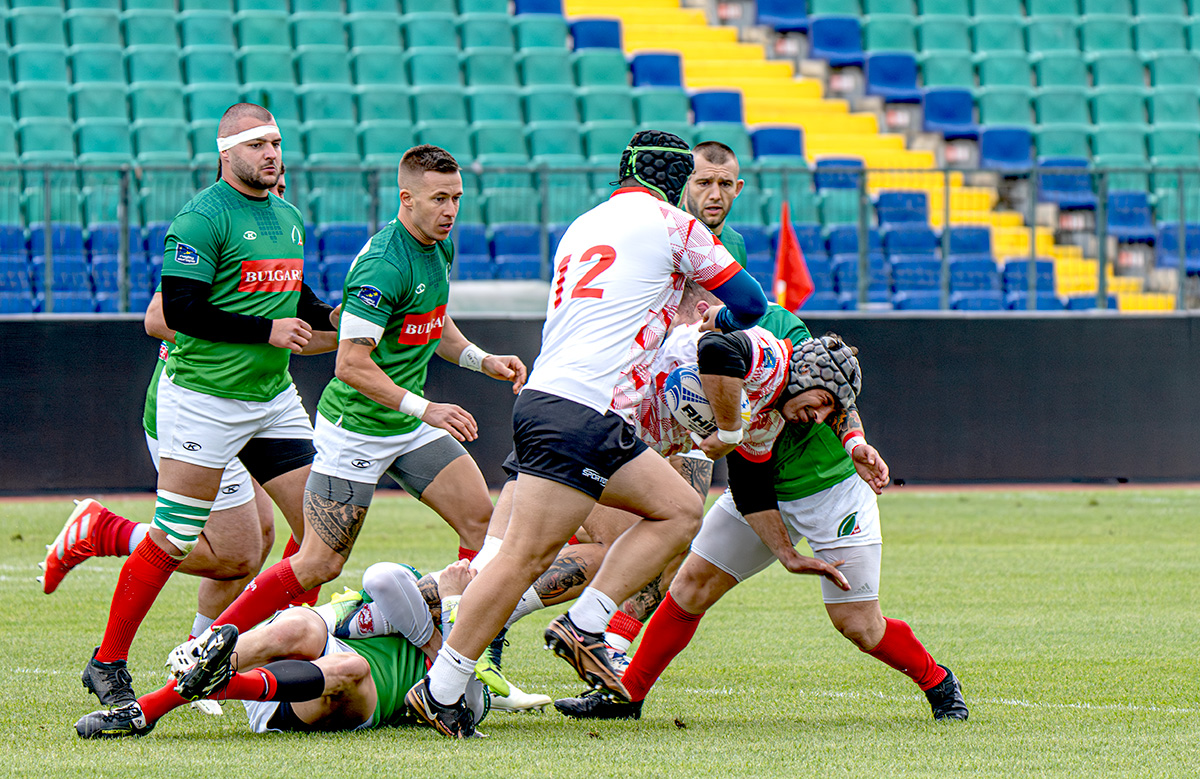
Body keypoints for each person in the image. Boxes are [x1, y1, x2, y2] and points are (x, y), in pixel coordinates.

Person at [406, 129, 770, 738]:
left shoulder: (583, 225)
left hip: (550, 400)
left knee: (672, 512)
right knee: (533, 554)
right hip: (588, 410)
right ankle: (480, 665)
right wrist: (722, 321)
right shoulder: (673, 224)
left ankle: (550, 638)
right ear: (675, 180)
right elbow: (751, 303)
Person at [168, 145, 526, 690]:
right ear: (406, 199)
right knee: (319, 563)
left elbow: (434, 319)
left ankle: (473, 658)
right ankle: (208, 647)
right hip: (356, 429)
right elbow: (350, 364)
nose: (451, 210)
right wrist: (428, 408)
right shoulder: (382, 264)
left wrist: (482, 360)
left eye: (456, 198)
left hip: (405, 423)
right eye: (439, 199)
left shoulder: (439, 247)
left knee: (481, 522)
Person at [78, 103, 341, 712]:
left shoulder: (287, 216)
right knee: (176, 538)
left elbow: (295, 298)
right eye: (258, 145)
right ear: (227, 153)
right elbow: (179, 309)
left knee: (321, 538)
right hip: (203, 401)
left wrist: (338, 316)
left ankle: (238, 653)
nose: (271, 154)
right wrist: (267, 331)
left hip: (271, 401)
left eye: (276, 143)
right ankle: (107, 661)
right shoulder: (201, 218)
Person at [554, 337, 969, 723]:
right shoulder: (751, 348)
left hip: (834, 495)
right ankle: (627, 696)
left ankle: (938, 681)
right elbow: (750, 484)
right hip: (764, 494)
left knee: (858, 625)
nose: (819, 419)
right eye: (820, 405)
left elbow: (835, 391)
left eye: (829, 411)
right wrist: (785, 551)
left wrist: (854, 442)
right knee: (691, 586)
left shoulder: (794, 358)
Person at [74, 560, 488, 738]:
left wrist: (454, 607)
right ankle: (186, 681)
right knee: (300, 623)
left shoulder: (473, 659)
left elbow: (465, 701)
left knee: (353, 666)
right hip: (296, 660)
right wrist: (434, 627)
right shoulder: (412, 588)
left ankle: (198, 692)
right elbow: (380, 580)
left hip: (350, 698)